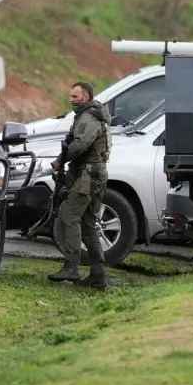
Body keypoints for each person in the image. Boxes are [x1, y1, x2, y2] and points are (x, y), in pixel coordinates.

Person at [47, 81, 112, 288]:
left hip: (88, 174)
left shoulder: (88, 117)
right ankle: (97, 274)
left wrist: (64, 156)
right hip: (93, 173)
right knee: (88, 224)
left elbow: (79, 145)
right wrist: (60, 159)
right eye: (70, 96)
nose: (70, 100)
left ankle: (71, 267)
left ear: (86, 97)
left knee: (69, 215)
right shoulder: (90, 115)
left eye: (75, 97)